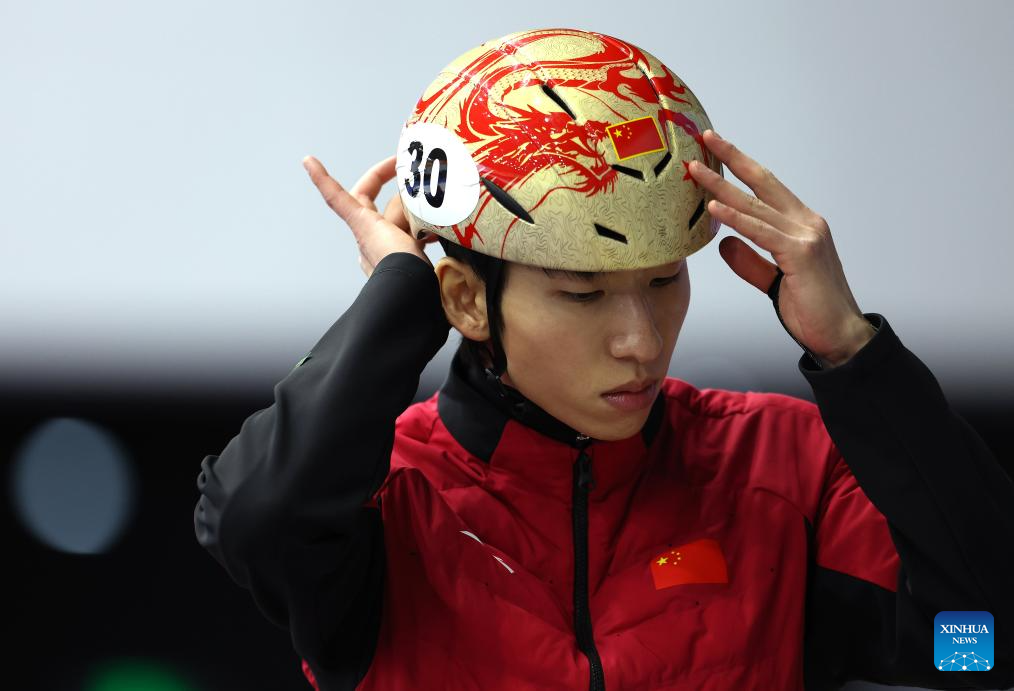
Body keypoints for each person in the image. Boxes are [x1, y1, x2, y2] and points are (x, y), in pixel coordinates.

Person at [193, 29, 1014, 690]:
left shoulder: (783, 468)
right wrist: (397, 300)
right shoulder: (388, 495)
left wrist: (854, 351)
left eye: (663, 281)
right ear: (466, 301)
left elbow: (981, 646)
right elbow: (256, 519)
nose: (642, 340)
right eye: (583, 295)